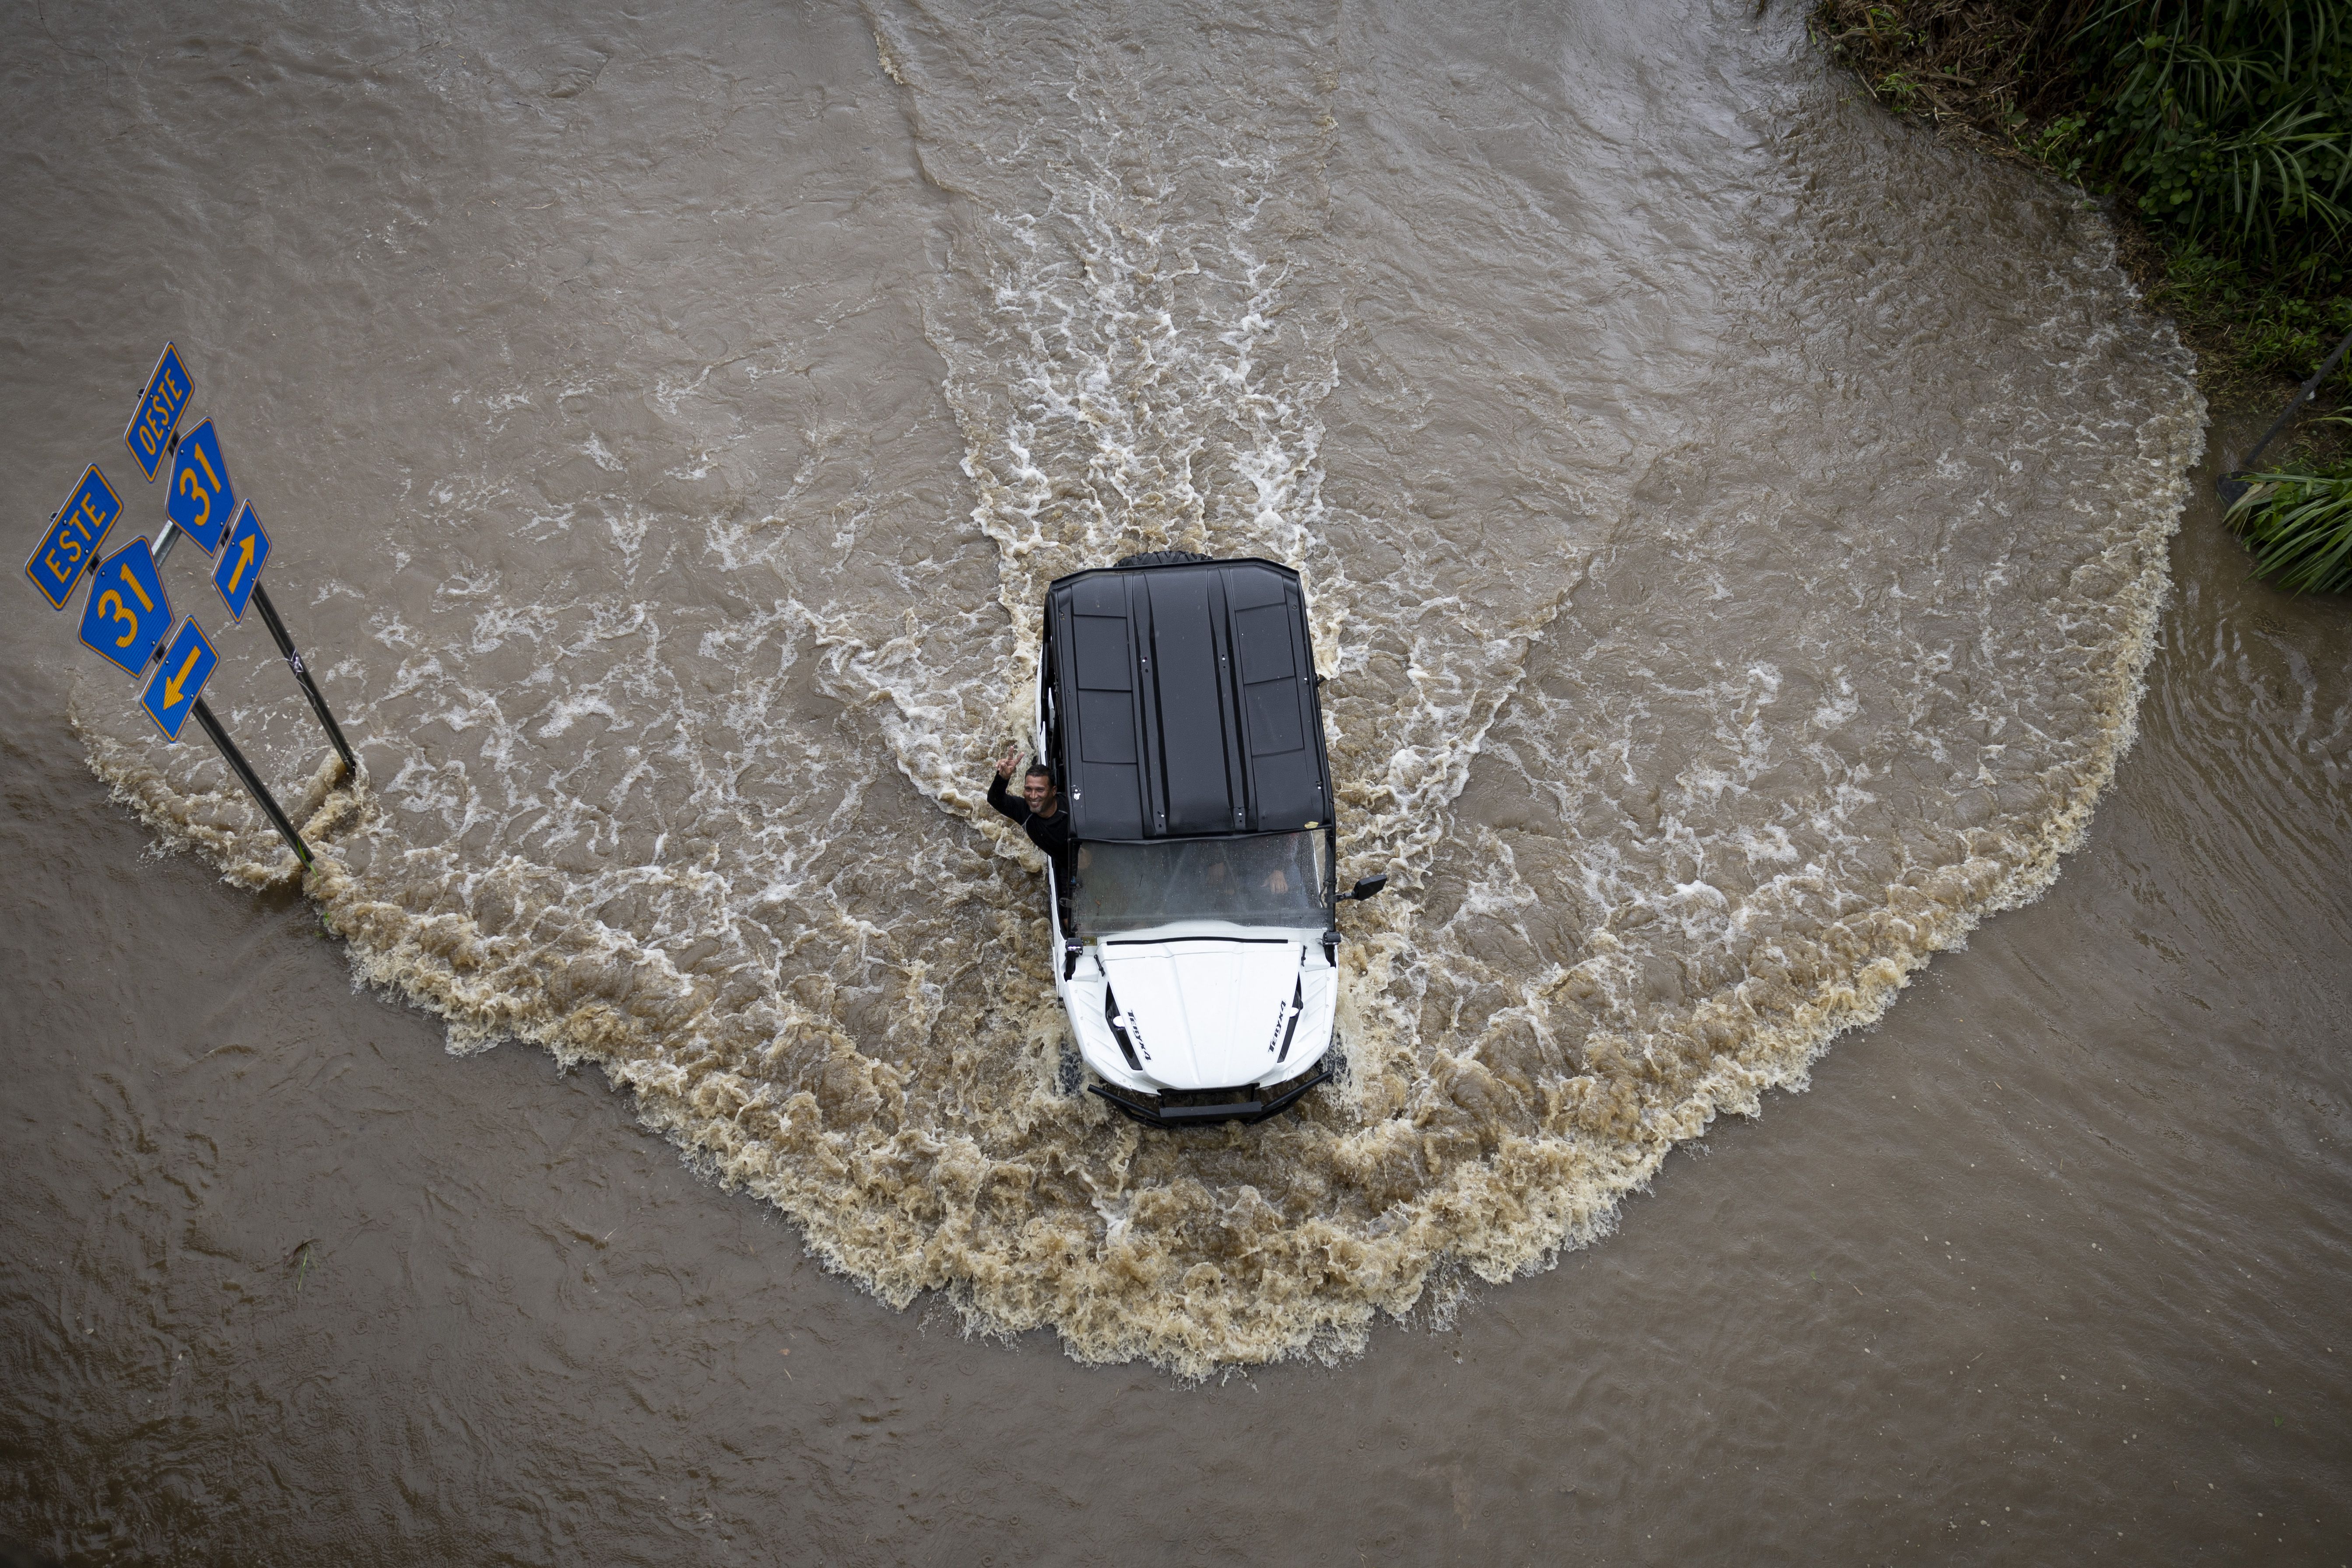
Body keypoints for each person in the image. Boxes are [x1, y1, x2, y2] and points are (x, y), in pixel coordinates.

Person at [988, 744, 1073, 877]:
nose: (1033, 796)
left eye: (1040, 790)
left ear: (1053, 791)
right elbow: (995, 800)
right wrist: (1003, 778)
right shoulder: (1025, 812)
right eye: (1028, 789)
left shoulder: (1072, 810)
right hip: (1066, 868)